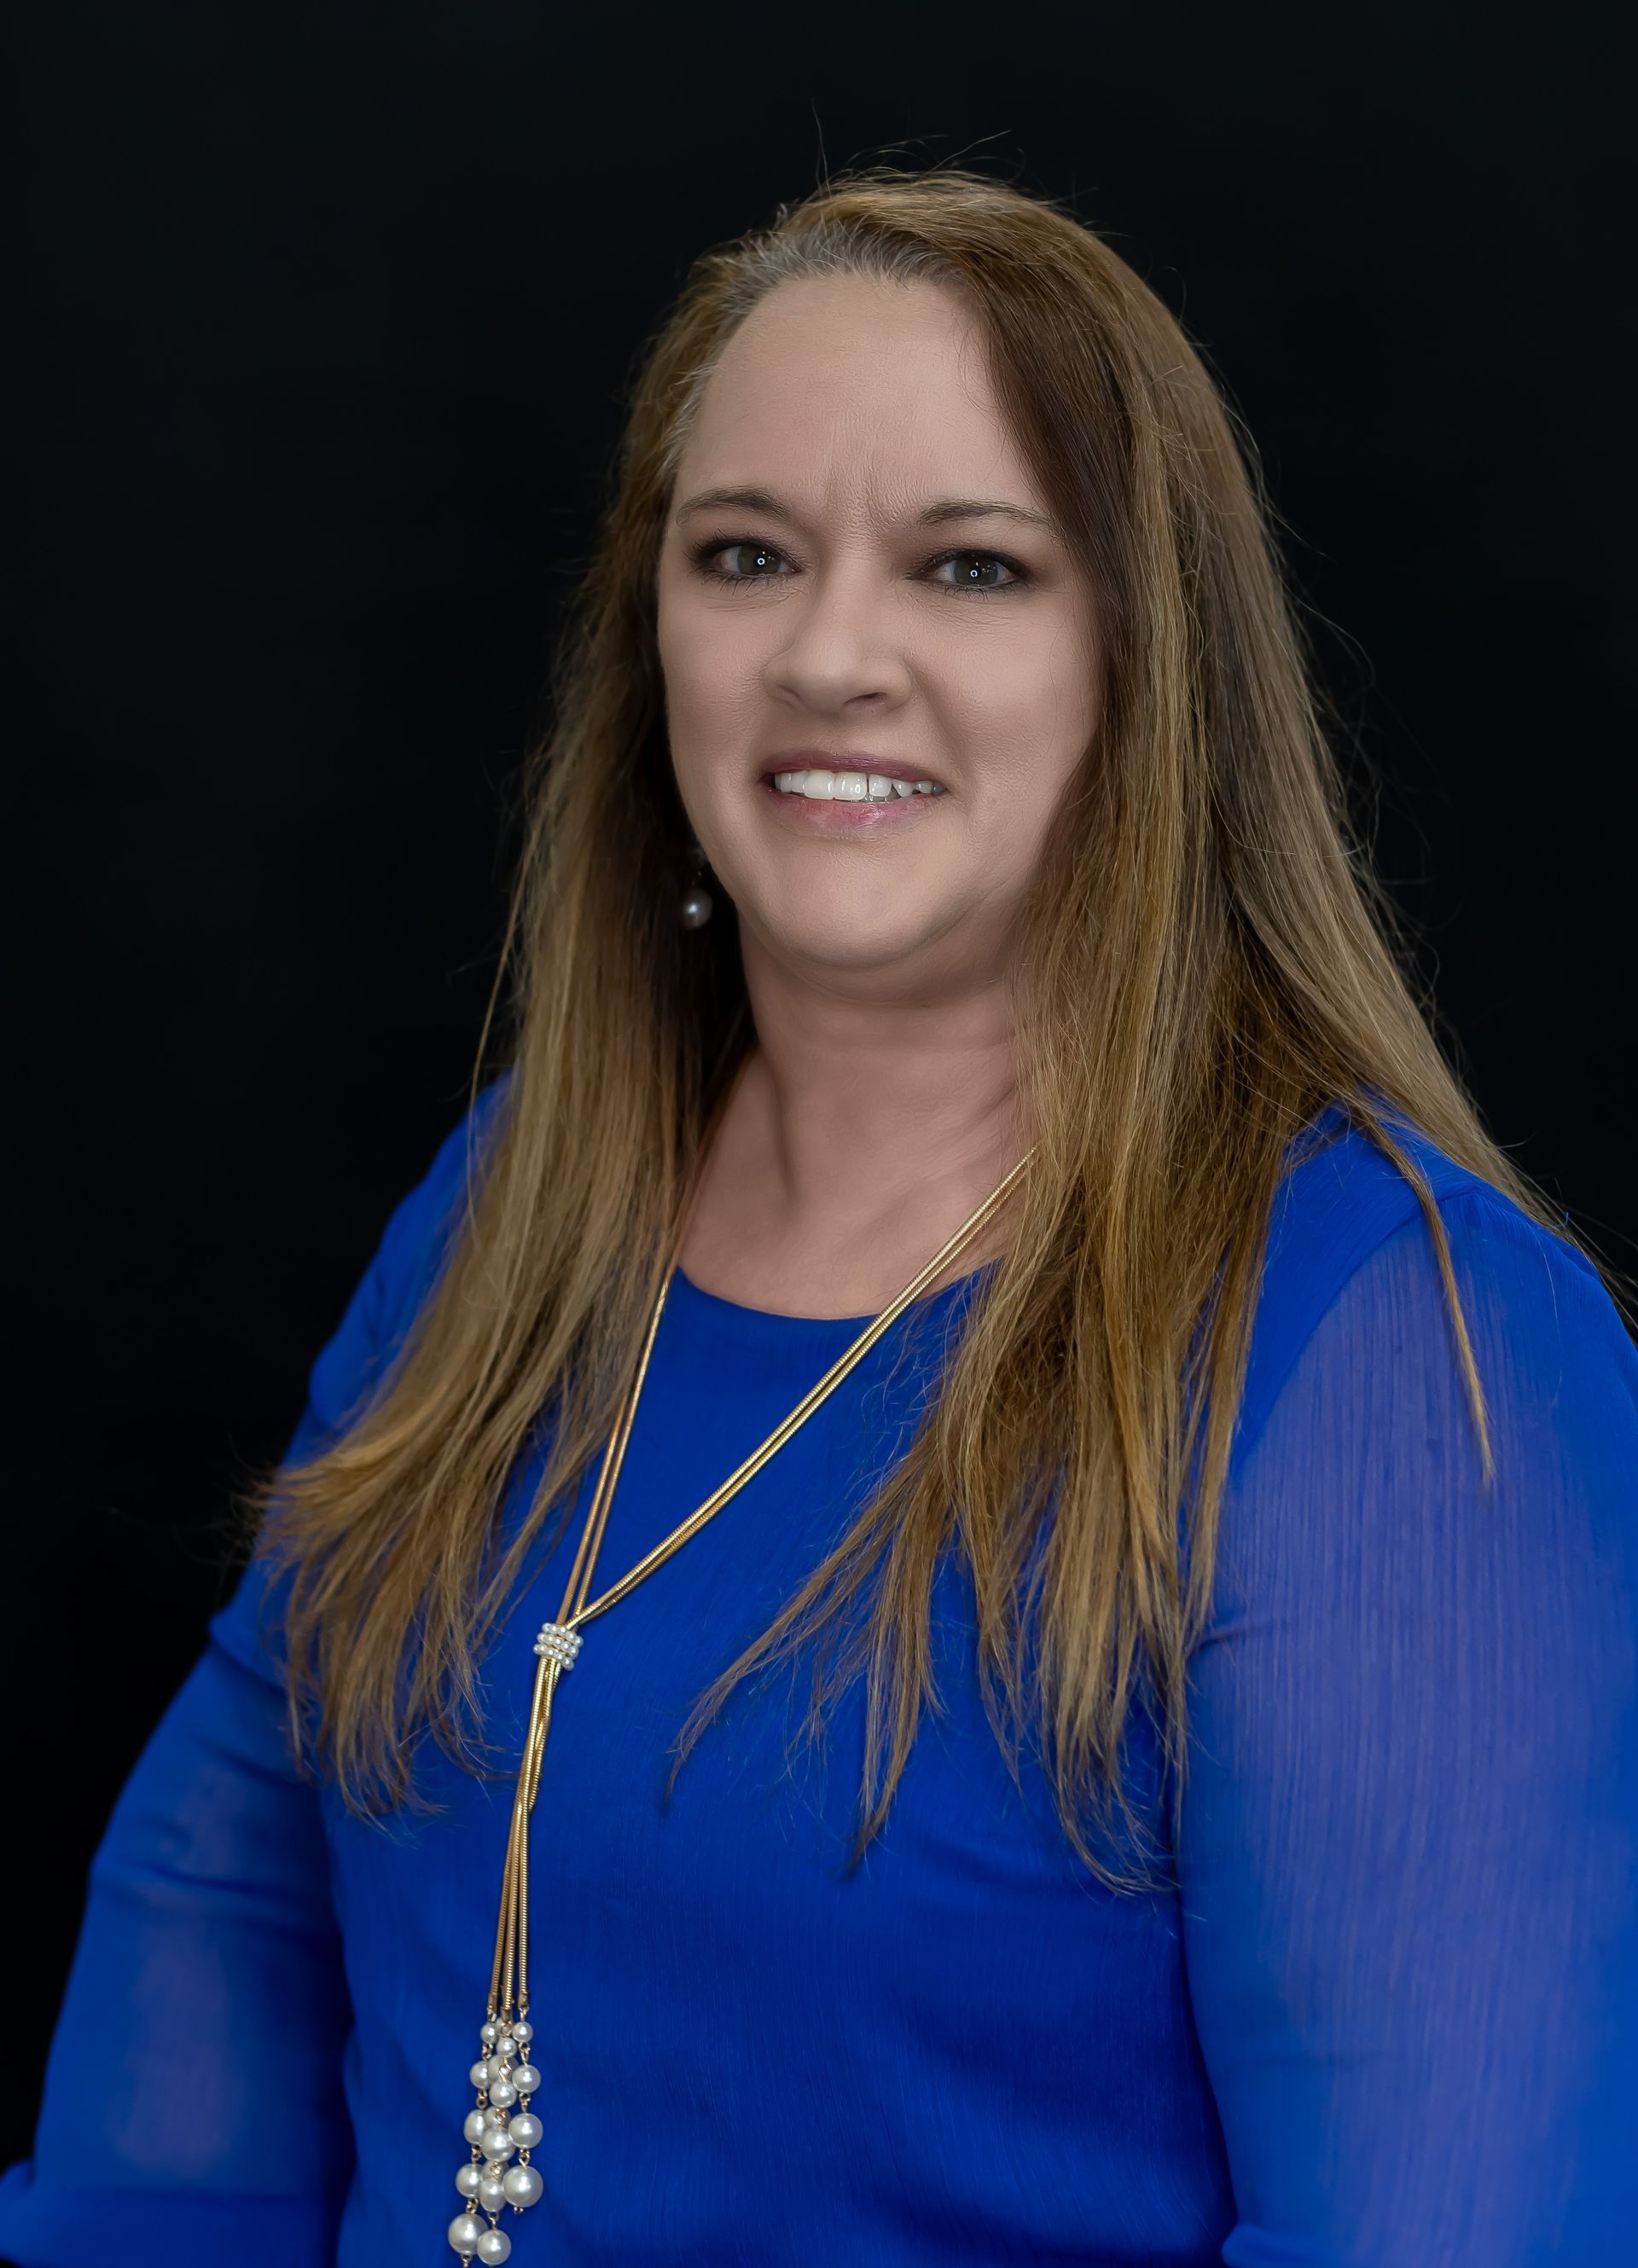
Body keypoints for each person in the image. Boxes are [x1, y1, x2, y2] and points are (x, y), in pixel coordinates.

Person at [3, 165, 1634, 2268]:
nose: (830, 653)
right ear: (651, 636)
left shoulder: (1405, 1352)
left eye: (970, 567)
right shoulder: (525, 1195)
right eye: (745, 554)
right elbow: (230, 1878)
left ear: (1152, 674)